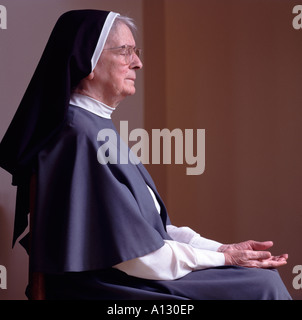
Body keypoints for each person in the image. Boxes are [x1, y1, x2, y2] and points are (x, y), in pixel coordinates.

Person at [0, 9, 291, 300]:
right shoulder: (78, 135)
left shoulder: (93, 126)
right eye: (125, 51)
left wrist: (221, 249)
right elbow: (140, 257)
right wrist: (226, 260)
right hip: (106, 287)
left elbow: (154, 231)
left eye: (135, 52)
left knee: (260, 278)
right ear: (87, 60)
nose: (137, 63)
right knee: (261, 286)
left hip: (131, 275)